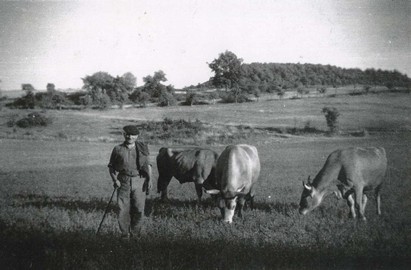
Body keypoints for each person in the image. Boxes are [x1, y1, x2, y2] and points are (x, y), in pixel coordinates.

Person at [108, 125, 152, 238]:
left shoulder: (142, 148)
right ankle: (125, 235)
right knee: (123, 209)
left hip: (139, 180)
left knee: (139, 208)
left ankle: (135, 234)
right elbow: (111, 167)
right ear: (124, 135)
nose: (130, 137)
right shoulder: (117, 149)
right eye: (127, 134)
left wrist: (150, 179)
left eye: (133, 135)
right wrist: (115, 180)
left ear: (137, 136)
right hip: (123, 180)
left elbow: (148, 165)